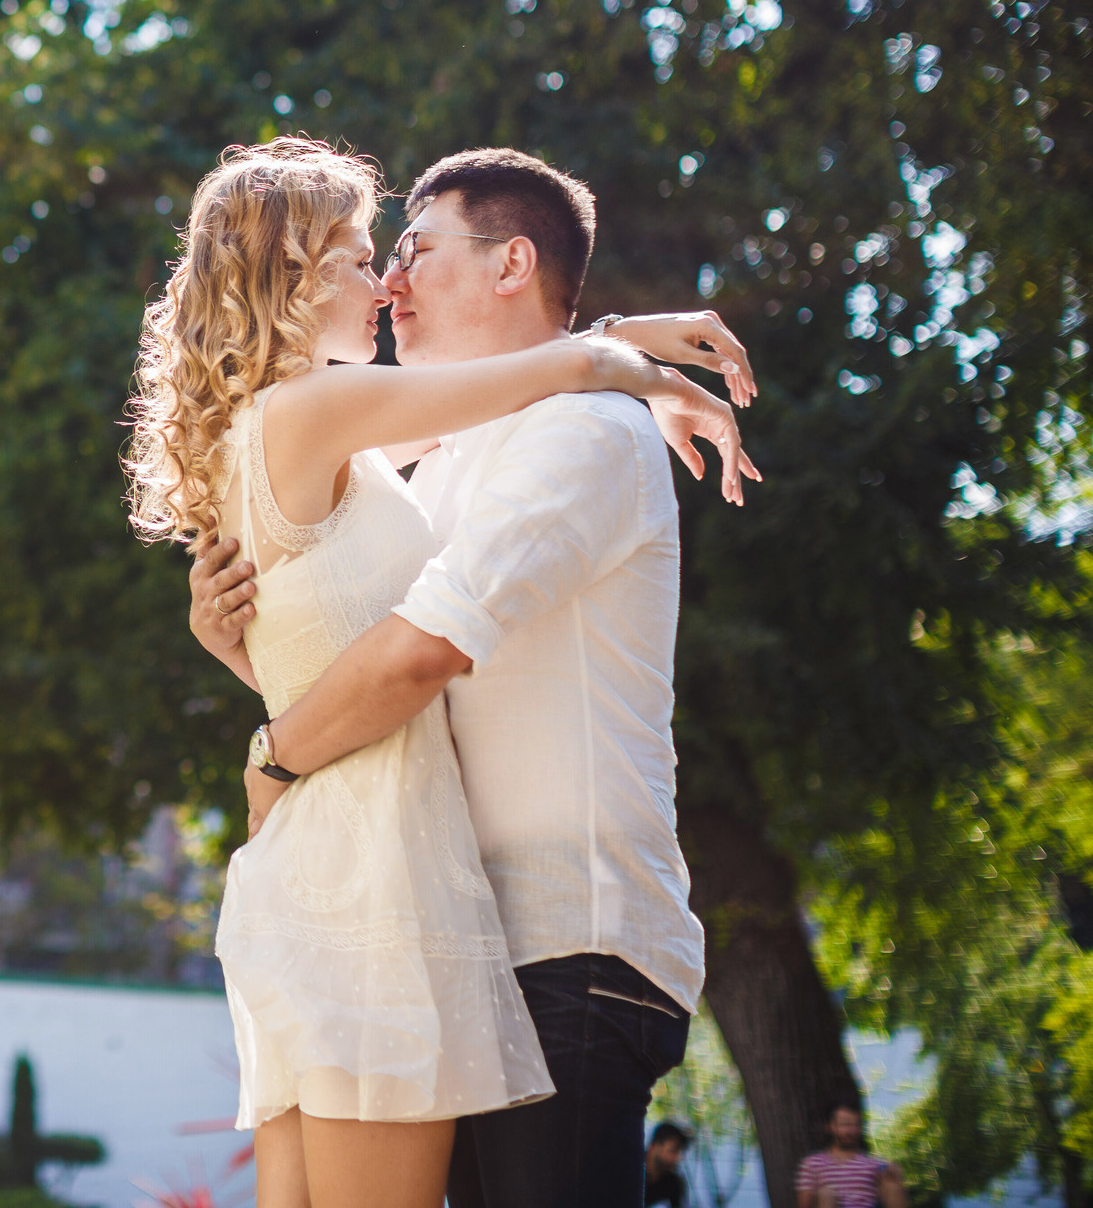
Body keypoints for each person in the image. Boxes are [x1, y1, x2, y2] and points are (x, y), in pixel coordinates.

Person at [125, 140, 756, 1208]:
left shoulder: (569, 436)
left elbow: (413, 651)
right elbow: (373, 654)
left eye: (409, 251)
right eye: (374, 254)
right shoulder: (413, 444)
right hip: (422, 910)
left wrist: (272, 752)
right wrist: (614, 350)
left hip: (564, 944)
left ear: (510, 265)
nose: (392, 281)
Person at [795, 1103, 908, 1208]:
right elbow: (804, 1205)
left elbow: (888, 1196)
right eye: (845, 1124)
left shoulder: (875, 1164)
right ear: (830, 1127)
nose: (851, 1131)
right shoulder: (812, 1163)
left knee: (893, 1185)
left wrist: (895, 1179)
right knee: (826, 1193)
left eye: (856, 1125)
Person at [644, 1122, 692, 1207]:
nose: (677, 1158)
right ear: (655, 1146)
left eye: (679, 1153)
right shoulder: (631, 1170)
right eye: (672, 1150)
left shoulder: (672, 1183)